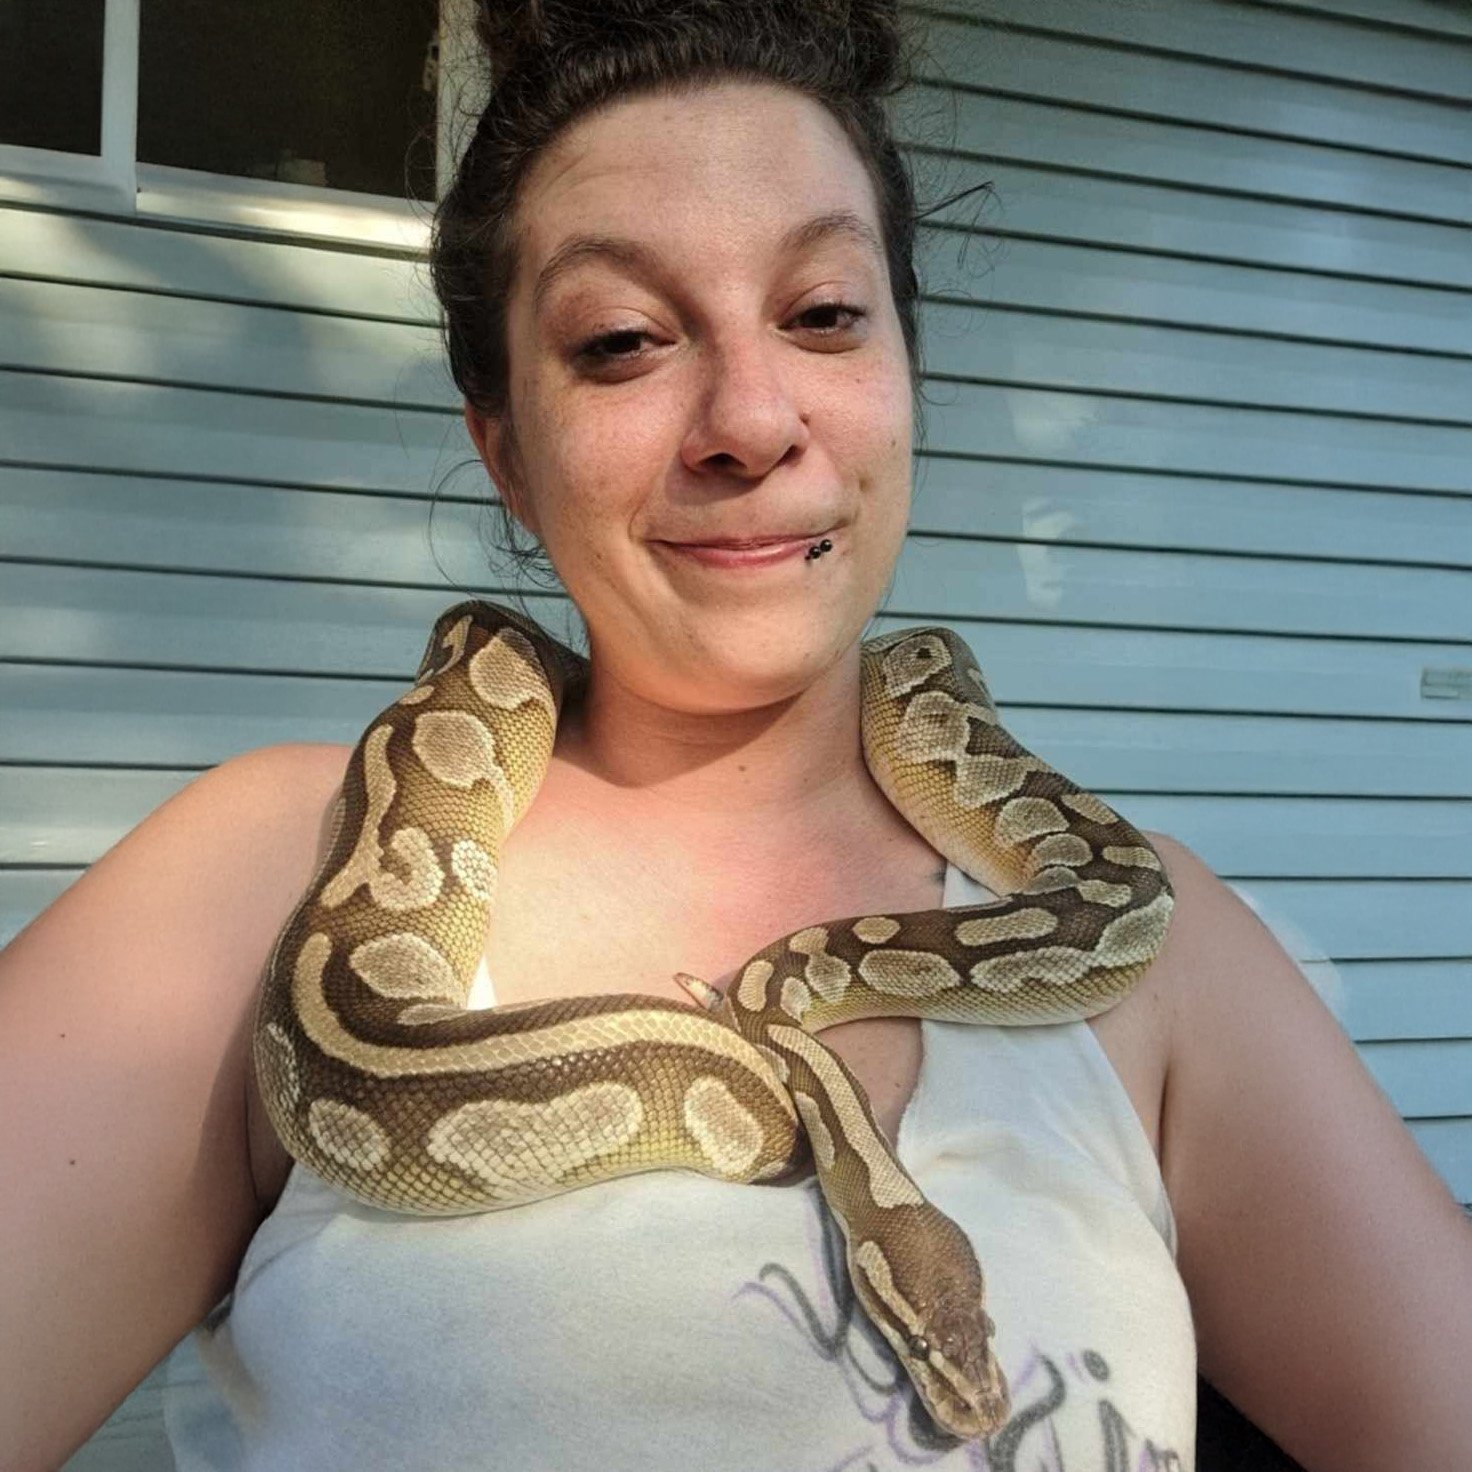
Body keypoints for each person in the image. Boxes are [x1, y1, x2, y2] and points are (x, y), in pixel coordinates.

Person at [2, 2, 1468, 1468]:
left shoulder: (1155, 936)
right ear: (505, 450)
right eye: (626, 339)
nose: (751, 419)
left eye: (824, 312)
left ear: (908, 377)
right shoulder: (256, 874)